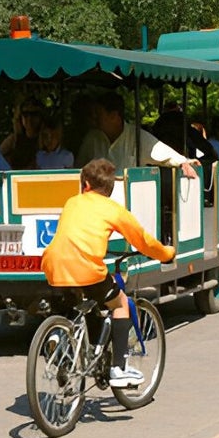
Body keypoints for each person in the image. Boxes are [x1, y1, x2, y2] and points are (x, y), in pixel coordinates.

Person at [41, 159, 175, 387]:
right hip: (86, 269)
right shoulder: (113, 209)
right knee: (120, 303)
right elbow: (143, 241)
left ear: (85, 185)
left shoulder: (72, 202)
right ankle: (118, 369)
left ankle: (58, 339)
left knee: (72, 306)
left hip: (54, 265)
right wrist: (166, 253)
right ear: (111, 189)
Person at [73, 91, 199, 179]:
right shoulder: (92, 138)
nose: (93, 118)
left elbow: (162, 152)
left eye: (98, 114)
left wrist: (184, 162)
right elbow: (78, 170)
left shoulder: (137, 137)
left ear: (114, 117)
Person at [0, 97, 45, 169]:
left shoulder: (46, 139)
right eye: (25, 114)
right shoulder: (13, 140)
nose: (29, 118)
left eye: (34, 114)